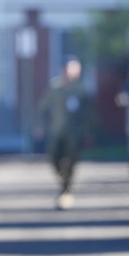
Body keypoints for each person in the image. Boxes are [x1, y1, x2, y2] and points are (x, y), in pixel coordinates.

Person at [36, 56, 92, 209]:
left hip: (75, 133)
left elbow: (88, 113)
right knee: (53, 158)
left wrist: (87, 132)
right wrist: (40, 126)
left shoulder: (81, 89)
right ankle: (64, 183)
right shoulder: (55, 87)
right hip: (57, 130)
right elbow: (44, 108)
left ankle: (66, 188)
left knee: (71, 161)